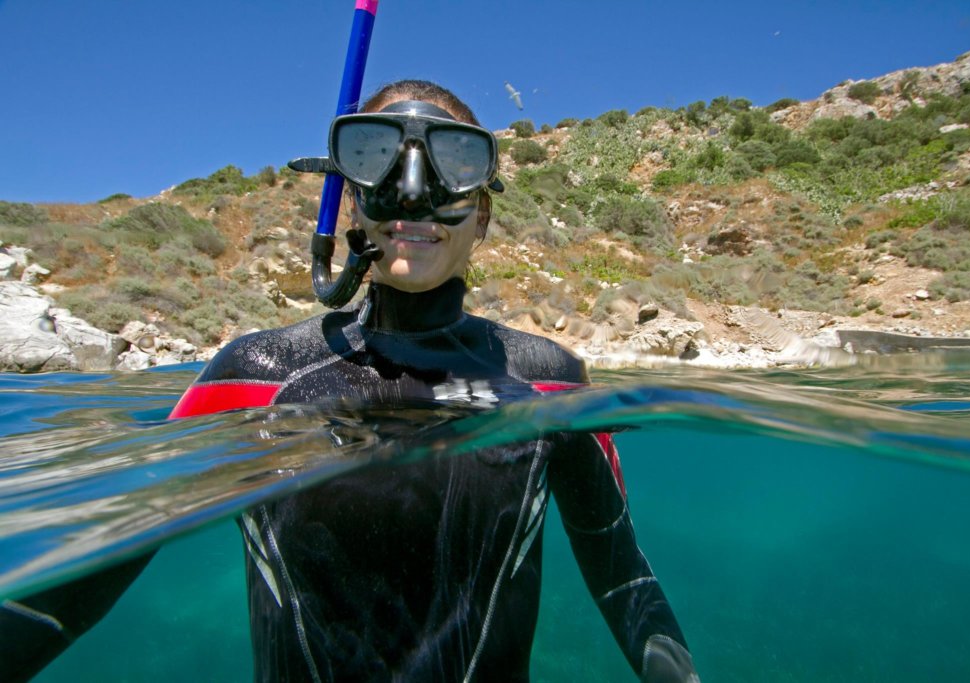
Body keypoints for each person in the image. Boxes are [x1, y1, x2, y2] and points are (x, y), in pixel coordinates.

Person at [2, 79, 699, 682]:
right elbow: (82, 577)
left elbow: (622, 575)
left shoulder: (549, 382)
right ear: (347, 202)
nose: (415, 194)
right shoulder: (254, 378)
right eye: (377, 158)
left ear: (481, 212)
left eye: (454, 164)